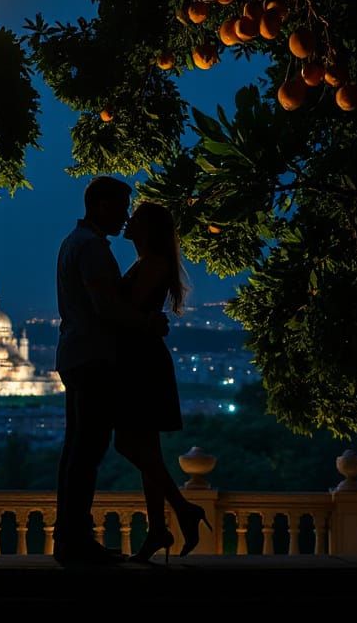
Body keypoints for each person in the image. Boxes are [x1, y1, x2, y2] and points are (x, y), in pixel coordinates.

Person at [54, 177, 168, 566]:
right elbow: (106, 308)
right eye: (123, 207)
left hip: (77, 355)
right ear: (102, 206)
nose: (126, 216)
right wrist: (147, 322)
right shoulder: (92, 248)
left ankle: (69, 538)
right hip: (93, 358)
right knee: (87, 452)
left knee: (77, 451)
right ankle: (75, 541)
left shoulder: (76, 242)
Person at [113, 202, 211, 564]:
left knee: (126, 442)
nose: (128, 221)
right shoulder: (149, 264)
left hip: (140, 363)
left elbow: (129, 313)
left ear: (148, 229)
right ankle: (158, 528)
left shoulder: (152, 265)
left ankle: (182, 509)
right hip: (140, 359)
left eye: (135, 218)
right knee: (147, 451)